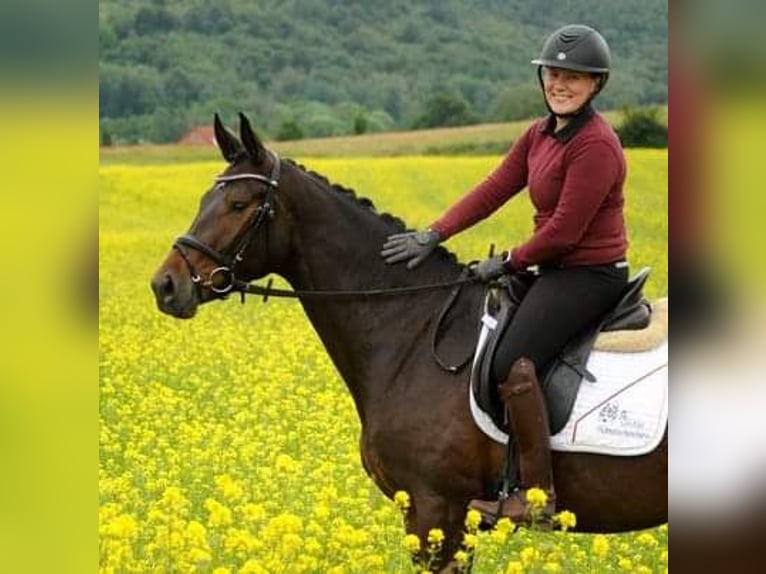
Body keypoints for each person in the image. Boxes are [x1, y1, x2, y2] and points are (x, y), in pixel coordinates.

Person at [380, 24, 630, 525]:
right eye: (554, 74)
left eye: (574, 77)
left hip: (589, 275)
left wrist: (511, 260)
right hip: (552, 269)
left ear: (596, 85)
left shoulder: (596, 145)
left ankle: (536, 494)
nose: (561, 83)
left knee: (511, 362)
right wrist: (435, 234)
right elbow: (495, 187)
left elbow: (564, 231)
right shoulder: (539, 134)